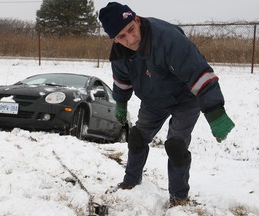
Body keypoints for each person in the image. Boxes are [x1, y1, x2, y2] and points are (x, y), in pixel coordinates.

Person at [99, 2, 235, 207]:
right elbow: (122, 80)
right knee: (137, 137)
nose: (130, 39)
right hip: (153, 100)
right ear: (114, 39)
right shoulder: (120, 53)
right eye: (121, 37)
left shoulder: (167, 39)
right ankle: (131, 182)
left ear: (136, 20)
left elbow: (199, 73)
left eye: (131, 30)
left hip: (186, 98)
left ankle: (179, 197)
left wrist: (215, 112)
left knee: (175, 145)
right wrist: (121, 104)